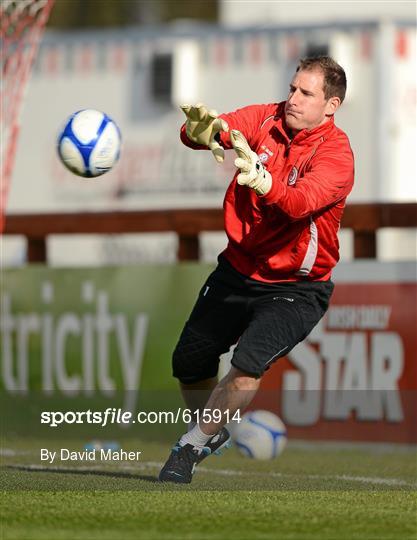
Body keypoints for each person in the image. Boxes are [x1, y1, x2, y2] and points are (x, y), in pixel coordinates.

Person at [159, 56, 354, 483]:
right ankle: (209, 430)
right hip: (238, 269)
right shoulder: (266, 118)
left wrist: (265, 182)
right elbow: (215, 129)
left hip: (296, 288)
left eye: (306, 93)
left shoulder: (337, 156)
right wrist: (200, 131)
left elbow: (300, 202)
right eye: (292, 88)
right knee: (188, 362)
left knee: (247, 364)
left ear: (331, 105)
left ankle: (189, 445)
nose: (293, 99)